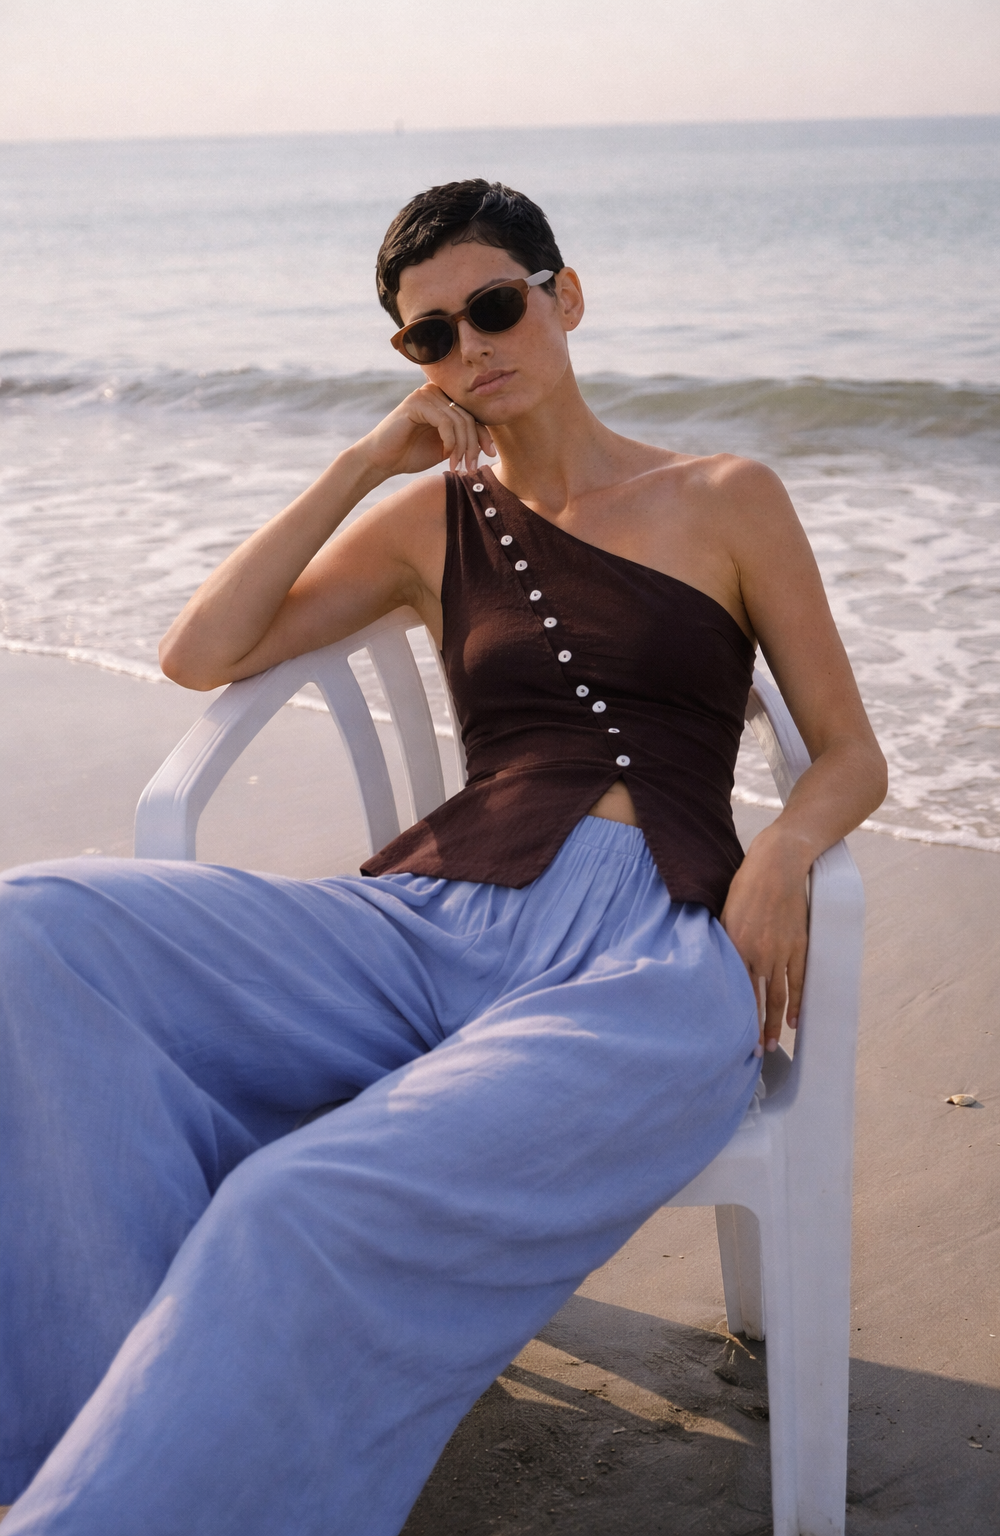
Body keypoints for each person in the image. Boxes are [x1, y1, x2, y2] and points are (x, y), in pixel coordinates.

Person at [0, 180, 886, 1535]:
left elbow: (850, 754)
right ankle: (84, 1431)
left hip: (645, 957)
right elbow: (200, 652)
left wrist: (780, 857)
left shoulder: (725, 497)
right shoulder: (429, 524)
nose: (471, 346)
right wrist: (368, 462)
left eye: (494, 306)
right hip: (432, 922)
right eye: (431, 335)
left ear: (564, 296)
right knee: (35, 926)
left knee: (292, 1204)